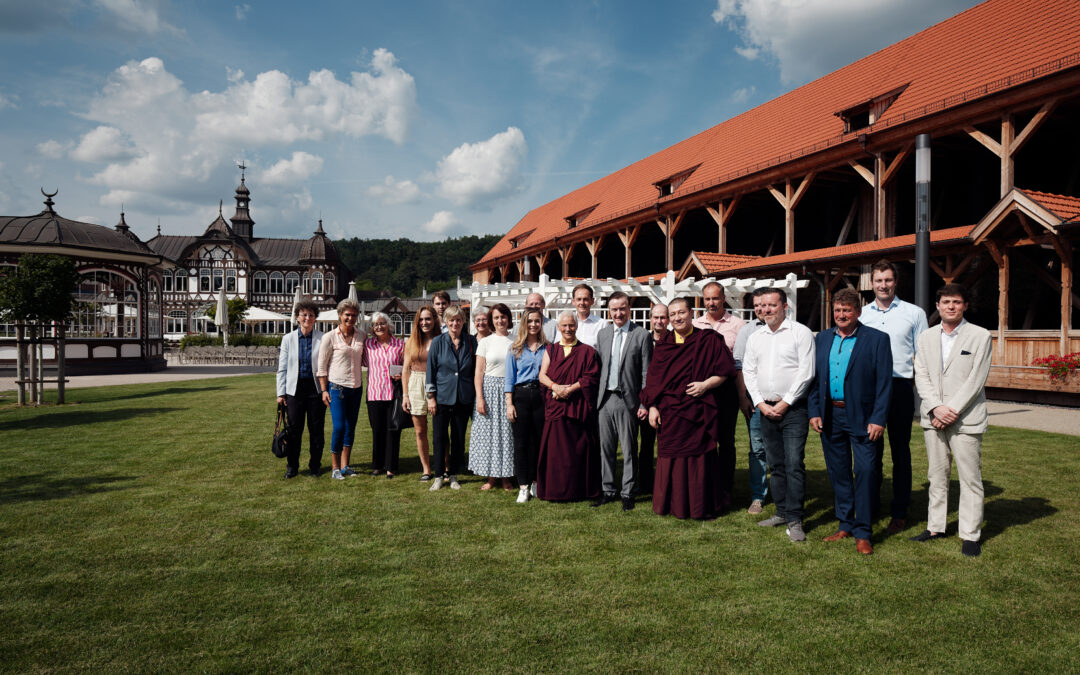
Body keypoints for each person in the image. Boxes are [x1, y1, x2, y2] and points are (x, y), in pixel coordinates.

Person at [808, 289, 893, 555]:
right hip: (830, 415)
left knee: (866, 472)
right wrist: (814, 411)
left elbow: (884, 383)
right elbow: (814, 378)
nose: (841, 315)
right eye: (837, 310)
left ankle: (863, 532)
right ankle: (845, 523)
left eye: (847, 310)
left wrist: (879, 418)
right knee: (839, 473)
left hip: (864, 418)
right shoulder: (822, 338)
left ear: (857, 312)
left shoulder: (877, 339)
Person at [911, 284, 992, 557]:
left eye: (957, 302)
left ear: (965, 305)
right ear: (937, 305)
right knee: (937, 475)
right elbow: (920, 374)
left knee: (970, 478)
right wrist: (935, 407)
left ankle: (970, 534)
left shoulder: (980, 336)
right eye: (946, 301)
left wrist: (951, 410)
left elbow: (976, 379)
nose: (951, 306)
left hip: (966, 418)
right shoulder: (925, 337)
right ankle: (935, 526)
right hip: (933, 418)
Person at [640, 296, 735, 520]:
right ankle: (671, 503)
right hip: (670, 412)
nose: (677, 318)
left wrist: (705, 385)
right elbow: (653, 381)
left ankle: (701, 505)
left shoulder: (708, 340)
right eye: (672, 315)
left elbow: (725, 372)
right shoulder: (663, 345)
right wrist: (652, 406)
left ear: (691, 313)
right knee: (671, 456)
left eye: (681, 313)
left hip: (698, 410)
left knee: (699, 459)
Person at [859, 259, 929, 534]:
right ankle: (871, 506)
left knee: (901, 452)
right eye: (878, 280)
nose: (883, 285)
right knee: (870, 452)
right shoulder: (862, 314)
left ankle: (900, 512)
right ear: (872, 283)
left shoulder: (914, 313)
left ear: (895, 282)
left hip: (900, 386)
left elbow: (922, 354)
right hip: (869, 390)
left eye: (888, 280)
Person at [742, 288, 815, 542]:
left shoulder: (800, 333)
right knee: (776, 464)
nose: (766, 310)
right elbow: (749, 373)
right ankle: (781, 511)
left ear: (785, 306)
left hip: (793, 409)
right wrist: (760, 403)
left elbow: (806, 372)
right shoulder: (756, 337)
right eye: (762, 306)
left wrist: (785, 403)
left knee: (794, 464)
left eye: (772, 305)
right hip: (765, 409)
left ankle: (795, 518)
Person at [593, 291, 652, 511]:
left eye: (622, 308)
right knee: (606, 449)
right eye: (614, 309)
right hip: (605, 399)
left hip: (629, 401)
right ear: (609, 310)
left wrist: (644, 403)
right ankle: (608, 490)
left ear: (629, 308)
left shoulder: (641, 335)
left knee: (629, 450)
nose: (618, 313)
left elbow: (647, 373)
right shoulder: (604, 334)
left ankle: (628, 492)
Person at [691, 281, 745, 511]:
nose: (711, 303)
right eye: (707, 299)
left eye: (715, 298)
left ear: (724, 299)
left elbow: (740, 362)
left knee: (726, 440)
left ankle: (725, 488)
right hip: (699, 392)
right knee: (703, 440)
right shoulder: (695, 324)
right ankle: (704, 485)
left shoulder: (738, 325)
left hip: (726, 390)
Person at [536, 311, 601, 501]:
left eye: (571, 325)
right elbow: (542, 375)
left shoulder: (588, 351)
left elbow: (590, 377)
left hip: (577, 407)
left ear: (576, 326)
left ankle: (577, 490)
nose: (568, 329)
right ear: (558, 328)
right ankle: (555, 490)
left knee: (577, 450)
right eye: (564, 326)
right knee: (556, 452)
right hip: (556, 406)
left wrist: (569, 389)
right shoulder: (552, 350)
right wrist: (556, 387)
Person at [426, 306, 477, 491]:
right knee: (439, 438)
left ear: (463, 321)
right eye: (451, 320)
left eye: (458, 320)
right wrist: (431, 397)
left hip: (463, 398)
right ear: (446, 322)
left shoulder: (471, 341)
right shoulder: (438, 341)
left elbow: (476, 369)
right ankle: (439, 475)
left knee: (458, 438)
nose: (455, 323)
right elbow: (430, 370)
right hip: (441, 397)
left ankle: (453, 474)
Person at [275, 299, 325, 479]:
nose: (308, 318)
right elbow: (282, 368)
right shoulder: (288, 339)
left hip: (316, 390)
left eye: (311, 315)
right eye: (304, 314)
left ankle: (315, 466)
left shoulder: (322, 338)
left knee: (316, 431)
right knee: (294, 430)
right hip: (294, 391)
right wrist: (280, 393)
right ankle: (292, 466)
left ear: (315, 318)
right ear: (297, 317)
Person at [317, 298, 365, 480]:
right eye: (347, 315)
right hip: (337, 388)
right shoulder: (329, 337)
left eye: (354, 315)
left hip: (356, 388)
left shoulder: (361, 335)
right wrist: (324, 390)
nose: (350, 318)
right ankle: (335, 466)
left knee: (350, 427)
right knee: (339, 427)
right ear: (340, 315)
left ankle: (346, 465)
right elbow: (321, 367)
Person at [469, 303, 516, 491]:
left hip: (508, 390)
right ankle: (491, 477)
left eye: (503, 317)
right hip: (488, 391)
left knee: (507, 435)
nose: (500, 320)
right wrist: (480, 398)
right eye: (496, 317)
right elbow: (478, 372)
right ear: (492, 321)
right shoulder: (485, 342)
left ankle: (506, 477)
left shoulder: (515, 340)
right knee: (489, 437)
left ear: (508, 319)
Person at [505, 308, 549, 503]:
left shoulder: (548, 348)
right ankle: (522, 485)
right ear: (524, 323)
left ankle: (535, 482)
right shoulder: (515, 348)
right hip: (521, 396)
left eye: (537, 321)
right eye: (530, 321)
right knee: (521, 443)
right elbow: (509, 379)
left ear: (541, 323)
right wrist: (509, 404)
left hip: (541, 396)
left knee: (539, 442)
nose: (533, 325)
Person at [733, 290, 768, 513]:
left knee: (785, 450)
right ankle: (758, 496)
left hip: (784, 401)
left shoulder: (794, 330)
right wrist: (743, 397)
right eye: (756, 305)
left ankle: (788, 494)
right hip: (754, 402)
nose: (761, 309)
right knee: (757, 449)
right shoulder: (747, 331)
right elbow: (739, 366)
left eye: (764, 305)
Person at [364, 312, 405, 478]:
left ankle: (391, 466)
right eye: (375, 325)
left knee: (393, 430)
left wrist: (401, 374)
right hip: (374, 393)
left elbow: (406, 365)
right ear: (372, 328)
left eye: (382, 323)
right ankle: (378, 465)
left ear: (388, 325)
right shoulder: (368, 345)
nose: (379, 327)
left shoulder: (399, 344)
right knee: (377, 430)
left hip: (393, 393)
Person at [402, 305, 440, 481]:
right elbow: (405, 370)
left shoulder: (441, 339)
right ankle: (426, 469)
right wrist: (405, 395)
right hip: (416, 382)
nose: (425, 322)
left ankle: (444, 465)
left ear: (434, 320)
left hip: (437, 383)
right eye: (422, 319)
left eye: (428, 319)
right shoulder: (412, 342)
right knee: (420, 430)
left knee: (440, 429)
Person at [637, 303, 668, 495]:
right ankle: (646, 483)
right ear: (650, 319)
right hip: (647, 401)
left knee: (667, 445)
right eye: (655, 317)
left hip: (669, 402)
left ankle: (666, 483)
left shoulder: (674, 340)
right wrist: (646, 403)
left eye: (663, 317)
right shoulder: (644, 340)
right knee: (646, 445)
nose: (659, 321)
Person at [570, 283, 607, 348]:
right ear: (573, 301)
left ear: (592, 301)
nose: (582, 303)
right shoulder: (567, 324)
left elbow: (605, 351)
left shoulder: (602, 324)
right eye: (579, 299)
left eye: (585, 299)